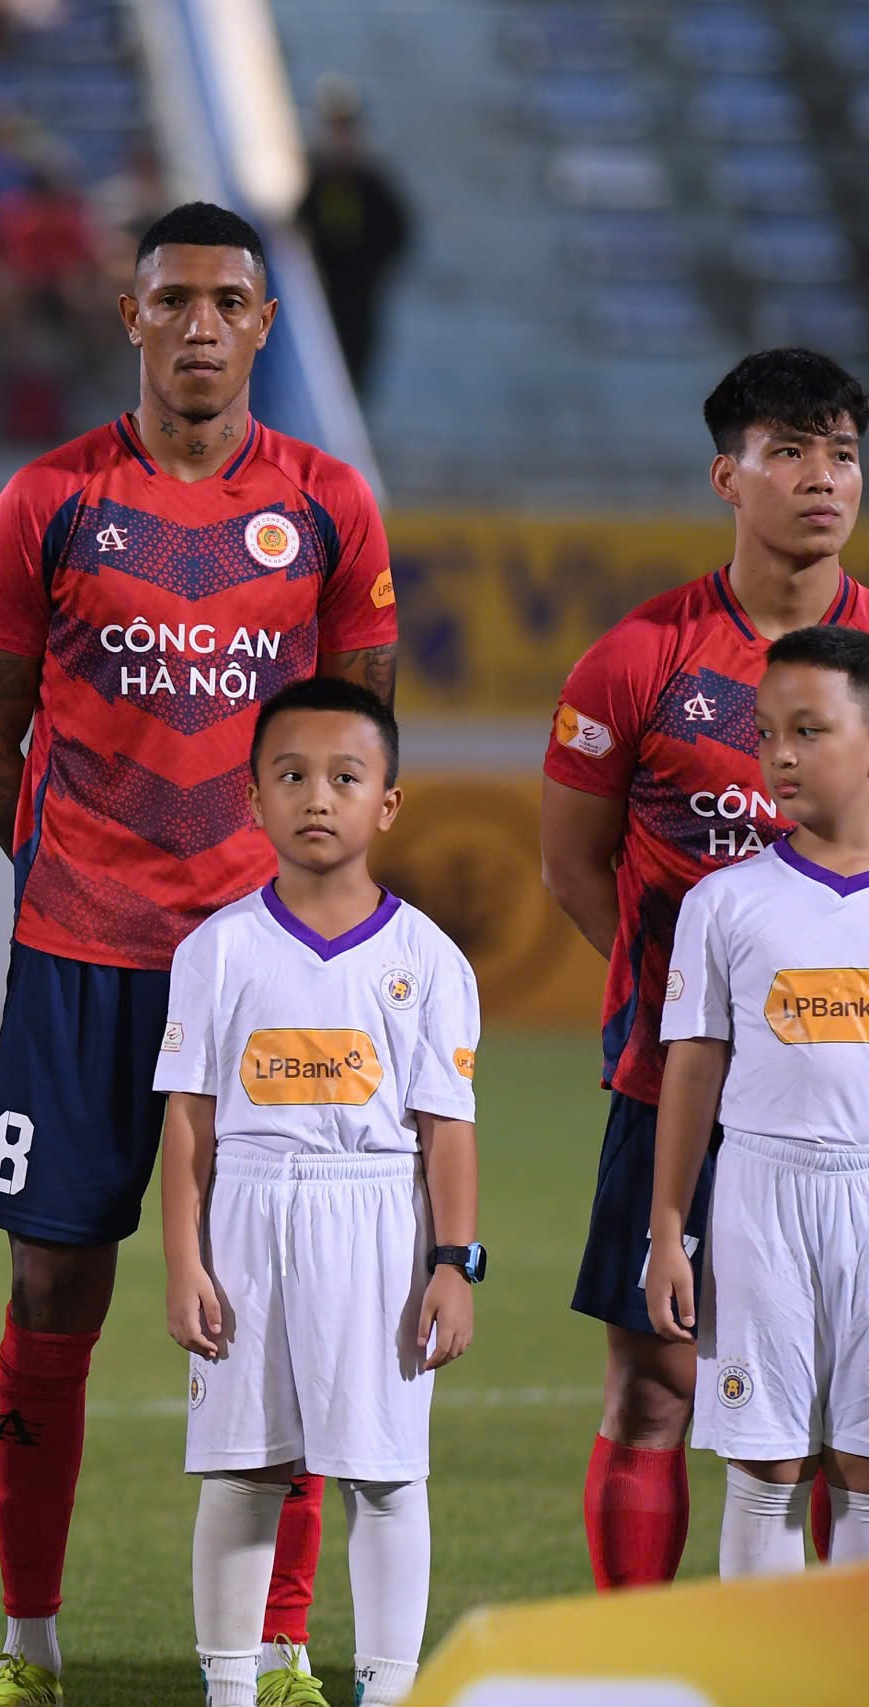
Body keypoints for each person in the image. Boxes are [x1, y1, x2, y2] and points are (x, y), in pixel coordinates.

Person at [0, 200, 398, 1706]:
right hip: (83, 955)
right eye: (173, 299)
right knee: (55, 1288)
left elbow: (349, 743)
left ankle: (275, 1647)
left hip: (265, 969)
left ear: (264, 323)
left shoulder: (330, 503)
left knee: (285, 1307)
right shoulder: (48, 503)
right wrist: (77, 875)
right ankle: (30, 1646)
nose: (200, 325)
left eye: (228, 300)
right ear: (127, 315)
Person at [540, 348, 865, 1589]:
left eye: (839, 451)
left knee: (852, 1422)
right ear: (728, 475)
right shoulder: (636, 659)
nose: (821, 477)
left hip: (847, 1098)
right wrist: (689, 1013)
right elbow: (573, 866)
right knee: (654, 1389)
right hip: (674, 1089)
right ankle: (644, 1663)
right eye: (787, 451)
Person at [158, 678, 481, 1707]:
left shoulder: (427, 958)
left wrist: (452, 1265)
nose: (316, 797)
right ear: (252, 799)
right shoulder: (215, 950)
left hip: (378, 1219)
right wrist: (182, 1262)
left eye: (345, 777)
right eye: (289, 775)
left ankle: (386, 1691)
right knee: (243, 1470)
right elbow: (187, 1124)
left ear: (386, 800)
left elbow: (447, 1129)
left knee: (384, 1475)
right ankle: (229, 1689)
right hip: (249, 1216)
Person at [647, 625, 869, 1576]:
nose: (779, 753)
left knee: (865, 1462)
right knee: (767, 1456)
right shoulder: (726, 902)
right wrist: (668, 1229)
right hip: (762, 1193)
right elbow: (693, 1069)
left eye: (809, 730)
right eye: (769, 731)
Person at [293, 77, 411, 395]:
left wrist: (372, 271)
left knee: (354, 375)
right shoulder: (315, 179)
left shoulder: (373, 182)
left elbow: (398, 234)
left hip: (359, 296)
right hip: (323, 294)